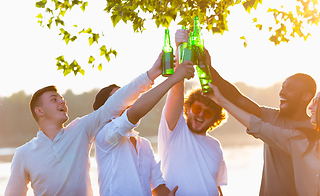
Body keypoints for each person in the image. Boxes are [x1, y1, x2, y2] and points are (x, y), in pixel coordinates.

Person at [5, 52, 164, 196]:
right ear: (39, 111)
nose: (62, 101)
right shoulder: (23, 154)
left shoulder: (80, 129)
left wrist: (151, 75)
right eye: (54, 99)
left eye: (62, 98)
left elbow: (115, 103)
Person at [209, 84, 320, 195]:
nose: (310, 107)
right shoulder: (299, 140)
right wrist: (221, 101)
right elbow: (257, 126)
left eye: (316, 102)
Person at [206, 49, 316, 196]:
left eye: (290, 89)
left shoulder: (316, 131)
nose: (281, 92)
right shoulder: (271, 117)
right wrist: (207, 67)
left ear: (306, 96)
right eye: (282, 87)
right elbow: (236, 98)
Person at [93, 53, 195, 196]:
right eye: (116, 99)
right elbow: (135, 112)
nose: (125, 102)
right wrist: (174, 78)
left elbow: (157, 187)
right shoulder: (105, 136)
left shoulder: (145, 144)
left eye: (126, 98)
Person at [157, 29, 228, 196]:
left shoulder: (215, 147)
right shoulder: (174, 131)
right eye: (197, 109)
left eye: (208, 113)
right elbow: (176, 91)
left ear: (215, 120)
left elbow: (216, 187)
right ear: (187, 109)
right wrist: (180, 48)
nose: (201, 114)